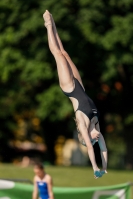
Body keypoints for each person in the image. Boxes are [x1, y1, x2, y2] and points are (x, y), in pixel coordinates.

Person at [43, 10, 107, 179]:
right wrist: (105, 167)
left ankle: (48, 25)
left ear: (87, 139)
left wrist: (95, 168)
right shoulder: (96, 125)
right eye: (95, 140)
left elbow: (92, 150)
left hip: (70, 87)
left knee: (57, 54)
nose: (96, 139)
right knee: (64, 53)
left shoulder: (84, 126)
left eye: (92, 140)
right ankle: (53, 22)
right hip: (80, 86)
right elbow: (103, 149)